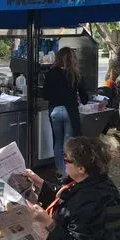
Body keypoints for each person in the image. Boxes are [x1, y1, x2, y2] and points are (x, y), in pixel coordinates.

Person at [0, 136, 120, 240]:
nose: (64, 162)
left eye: (66, 160)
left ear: (81, 168)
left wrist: (48, 223)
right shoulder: (97, 181)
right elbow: (68, 198)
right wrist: (41, 183)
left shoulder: (88, 201)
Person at [42, 47, 88, 177]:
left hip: (55, 111)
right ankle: (68, 173)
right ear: (72, 59)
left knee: (57, 141)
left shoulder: (51, 73)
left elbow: (45, 94)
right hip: (69, 111)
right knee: (68, 143)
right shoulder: (75, 74)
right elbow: (84, 97)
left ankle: (60, 170)